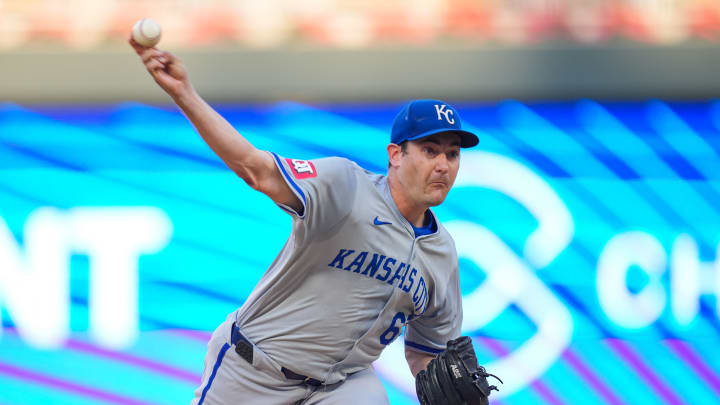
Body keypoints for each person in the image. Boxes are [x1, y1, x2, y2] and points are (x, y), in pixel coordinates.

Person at [129, 38, 479, 405]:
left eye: (452, 154)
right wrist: (185, 93)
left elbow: (429, 352)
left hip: (342, 386)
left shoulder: (442, 254)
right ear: (395, 155)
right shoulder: (345, 187)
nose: (443, 165)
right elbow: (255, 169)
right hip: (254, 372)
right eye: (430, 150)